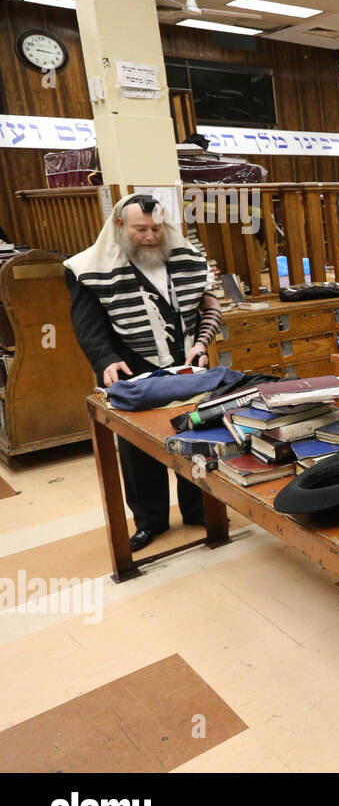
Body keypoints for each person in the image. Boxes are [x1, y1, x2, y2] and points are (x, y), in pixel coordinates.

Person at [65, 193, 222, 550]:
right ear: (120, 225)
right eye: (140, 229)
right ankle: (151, 521)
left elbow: (209, 305)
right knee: (137, 450)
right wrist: (105, 359)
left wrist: (202, 342)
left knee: (195, 438)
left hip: (188, 363)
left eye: (156, 228)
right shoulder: (88, 267)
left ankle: (199, 508)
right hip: (130, 367)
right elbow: (88, 326)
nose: (150, 236)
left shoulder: (187, 257)